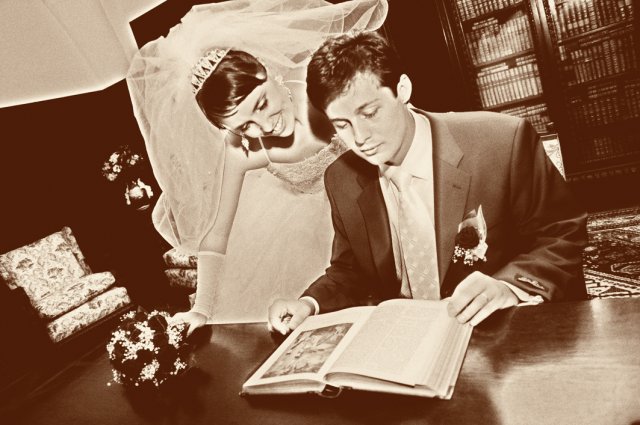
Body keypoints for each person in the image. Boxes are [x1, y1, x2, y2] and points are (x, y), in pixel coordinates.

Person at [268, 30, 588, 334]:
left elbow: (562, 234)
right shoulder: (342, 178)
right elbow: (349, 270)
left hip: (501, 329)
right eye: (342, 124)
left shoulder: (502, 141)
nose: (360, 138)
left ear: (402, 89)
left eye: (370, 112)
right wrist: (309, 304)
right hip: (405, 336)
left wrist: (508, 286)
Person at [126, 0, 388, 333]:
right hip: (310, 236)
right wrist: (201, 310)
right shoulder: (242, 149)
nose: (265, 127)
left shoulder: (322, 93)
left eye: (261, 104)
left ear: (267, 70)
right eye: (244, 126)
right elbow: (217, 235)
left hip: (371, 201)